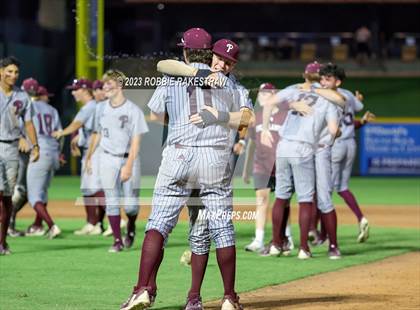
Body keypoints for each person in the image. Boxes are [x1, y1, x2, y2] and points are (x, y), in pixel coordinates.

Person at [120, 28, 253, 310]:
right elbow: (246, 119)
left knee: (158, 225)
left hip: (177, 157)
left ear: (185, 51)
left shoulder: (172, 76)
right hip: (214, 162)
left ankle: (143, 289)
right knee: (221, 230)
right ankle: (226, 297)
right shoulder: (234, 86)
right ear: (211, 53)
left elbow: (156, 112)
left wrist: (182, 121)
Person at [85, 69, 149, 252]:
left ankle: (130, 227)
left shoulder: (133, 110)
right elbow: (96, 133)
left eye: (109, 83)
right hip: (106, 158)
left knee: (130, 206)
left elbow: (136, 141)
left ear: (120, 85)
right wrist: (89, 157)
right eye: (104, 83)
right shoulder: (100, 108)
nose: (105, 86)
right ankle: (117, 240)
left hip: (129, 158)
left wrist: (128, 166)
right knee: (112, 201)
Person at [319, 63, 375, 243]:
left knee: (325, 190)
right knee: (342, 187)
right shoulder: (349, 94)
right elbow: (358, 108)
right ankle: (361, 218)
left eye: (328, 79)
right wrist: (358, 100)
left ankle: (324, 236)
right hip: (351, 144)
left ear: (338, 81)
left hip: (336, 145)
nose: (324, 82)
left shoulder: (329, 97)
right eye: (323, 78)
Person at [242, 82, 294, 253]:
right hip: (261, 166)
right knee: (261, 201)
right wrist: (246, 170)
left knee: (283, 202)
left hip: (281, 166)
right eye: (260, 94)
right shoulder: (255, 117)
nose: (261, 96)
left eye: (265, 93)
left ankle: (287, 238)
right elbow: (251, 144)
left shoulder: (285, 115)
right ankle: (259, 239)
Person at [52, 79, 103, 235]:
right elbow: (85, 131)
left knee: (95, 188)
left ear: (85, 90)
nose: (73, 92)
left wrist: (62, 132)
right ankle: (94, 223)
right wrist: (75, 141)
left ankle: (111, 220)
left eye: (76, 89)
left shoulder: (90, 107)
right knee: (89, 188)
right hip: (94, 150)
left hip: (95, 151)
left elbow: (76, 124)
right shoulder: (94, 106)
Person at [0, 56, 39, 255]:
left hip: (11, 149)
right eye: (9, 71)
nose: (13, 75)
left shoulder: (22, 97)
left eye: (16, 72)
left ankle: (2, 241)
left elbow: (29, 123)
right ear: (1, 71)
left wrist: (35, 145)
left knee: (7, 196)